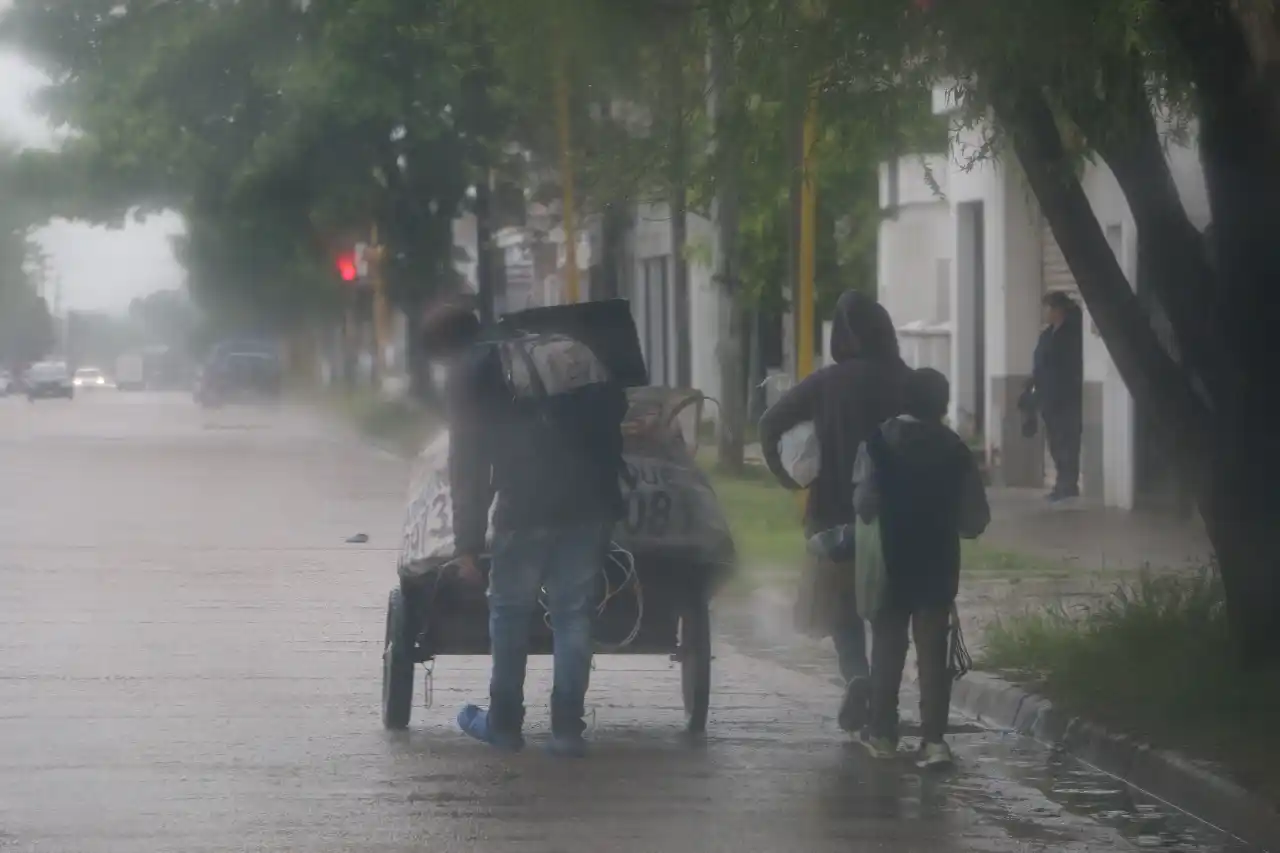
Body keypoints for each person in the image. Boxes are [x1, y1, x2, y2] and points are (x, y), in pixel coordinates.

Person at [420, 299, 629, 758]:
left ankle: (505, 723)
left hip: (527, 505)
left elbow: (468, 464)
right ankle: (567, 731)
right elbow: (617, 411)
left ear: (443, 349)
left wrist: (468, 546)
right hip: (592, 498)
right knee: (573, 613)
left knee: (510, 611)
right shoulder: (549, 350)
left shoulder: (469, 370)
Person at [759, 291, 911, 734]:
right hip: (896, 517)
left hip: (831, 517)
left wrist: (791, 479)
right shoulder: (905, 380)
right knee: (888, 614)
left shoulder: (827, 382)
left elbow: (770, 424)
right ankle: (884, 704)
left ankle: (857, 678)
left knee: (842, 612)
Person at [852, 367, 990, 767]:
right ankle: (933, 741)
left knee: (888, 647)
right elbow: (974, 520)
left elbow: (864, 504)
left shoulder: (876, 443)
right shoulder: (955, 448)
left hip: (890, 561)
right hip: (938, 564)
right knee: (933, 654)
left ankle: (882, 732)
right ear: (942, 404)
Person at [1023, 291, 1083, 502]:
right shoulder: (1047, 335)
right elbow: (1039, 365)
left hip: (1066, 398)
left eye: (1048, 307)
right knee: (1055, 442)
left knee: (1067, 442)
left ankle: (1068, 484)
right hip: (1047, 397)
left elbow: (1072, 367)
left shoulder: (1073, 335)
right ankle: (1062, 482)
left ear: (1059, 310)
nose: (1045, 312)